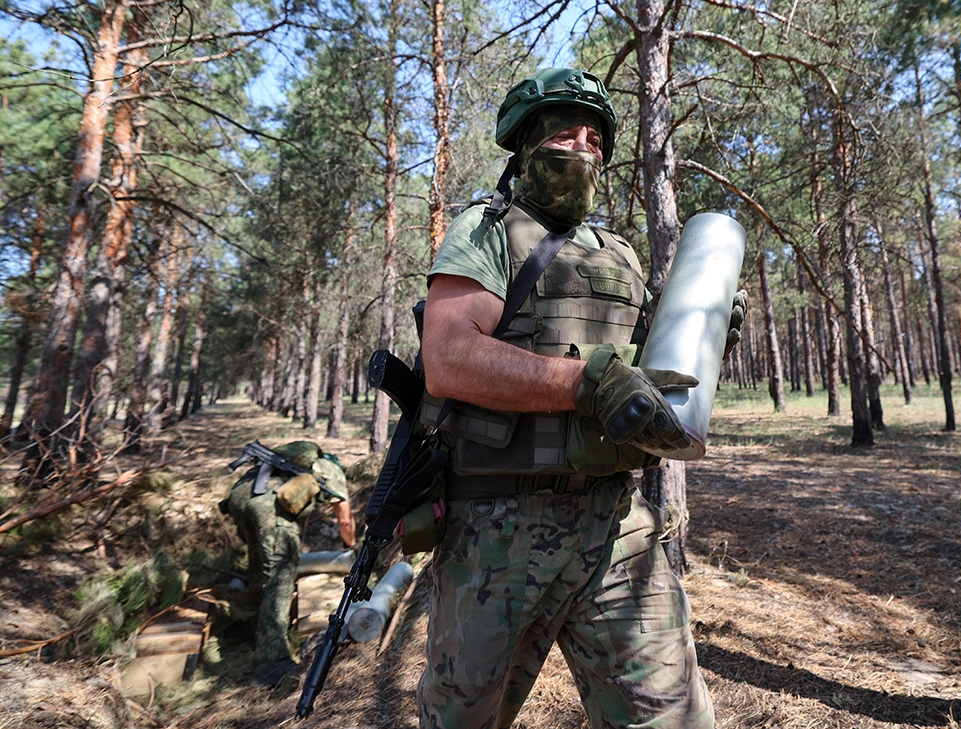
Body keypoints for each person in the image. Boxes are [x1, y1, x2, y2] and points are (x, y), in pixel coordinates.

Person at [417, 68, 743, 729]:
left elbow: (648, 378)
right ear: (527, 144)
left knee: (670, 717)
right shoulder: (488, 230)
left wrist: (706, 338)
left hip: (616, 523)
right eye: (566, 133)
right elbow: (448, 358)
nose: (584, 147)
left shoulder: (618, 253)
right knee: (462, 719)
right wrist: (584, 381)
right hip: (497, 533)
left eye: (596, 138)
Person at [224, 440, 354, 687]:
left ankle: (250, 627)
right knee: (280, 580)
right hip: (269, 507)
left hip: (240, 496)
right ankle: (272, 665)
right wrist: (351, 546)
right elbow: (345, 520)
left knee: (261, 567)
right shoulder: (332, 468)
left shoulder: (293, 459)